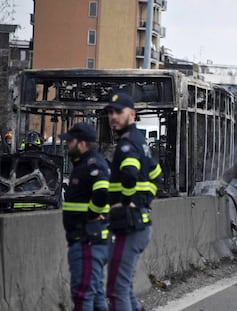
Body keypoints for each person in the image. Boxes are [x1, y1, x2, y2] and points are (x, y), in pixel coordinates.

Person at [105, 92, 162, 311]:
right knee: (124, 287)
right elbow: (157, 173)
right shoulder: (140, 141)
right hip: (137, 222)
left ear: (132, 114)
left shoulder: (127, 144)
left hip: (129, 224)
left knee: (117, 290)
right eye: (111, 112)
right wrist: (146, 198)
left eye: (119, 112)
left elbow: (129, 173)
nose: (113, 117)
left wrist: (127, 201)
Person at [61, 122, 110, 311]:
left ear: (82, 144)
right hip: (86, 239)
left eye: (70, 141)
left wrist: (93, 213)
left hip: (87, 240)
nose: (67, 145)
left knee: (83, 294)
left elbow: (103, 191)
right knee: (95, 293)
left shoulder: (92, 164)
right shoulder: (84, 164)